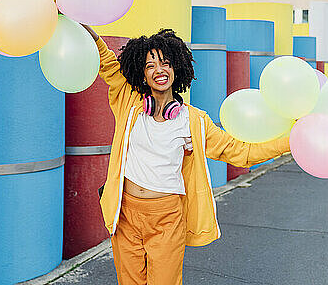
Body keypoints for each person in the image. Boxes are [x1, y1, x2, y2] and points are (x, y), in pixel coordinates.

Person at [82, 24, 290, 285]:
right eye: (150, 66)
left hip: (166, 216)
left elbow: (242, 152)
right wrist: (93, 36)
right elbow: (109, 66)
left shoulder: (193, 121)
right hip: (125, 213)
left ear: (176, 68)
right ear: (142, 74)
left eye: (165, 63)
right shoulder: (129, 104)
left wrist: (290, 142)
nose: (159, 70)